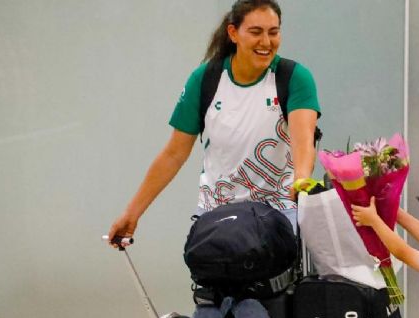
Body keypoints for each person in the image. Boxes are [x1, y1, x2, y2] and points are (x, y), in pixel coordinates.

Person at [108, 0, 320, 245]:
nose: (266, 42)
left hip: (278, 215)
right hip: (217, 218)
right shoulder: (205, 79)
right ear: (233, 33)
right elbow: (174, 154)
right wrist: (132, 213)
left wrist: (301, 179)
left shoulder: (293, 77)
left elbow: (303, 142)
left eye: (273, 32)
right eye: (255, 32)